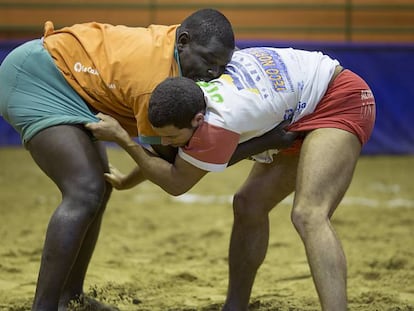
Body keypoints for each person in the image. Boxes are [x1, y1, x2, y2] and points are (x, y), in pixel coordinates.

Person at [86, 46, 376, 310]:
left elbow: (177, 181)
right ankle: (234, 307)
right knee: (248, 203)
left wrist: (124, 140)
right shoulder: (190, 97)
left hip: (340, 97)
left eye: (172, 136)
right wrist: (128, 180)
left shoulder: (217, 123)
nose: (167, 141)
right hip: (295, 106)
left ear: (198, 121)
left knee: (309, 214)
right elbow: (171, 156)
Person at [0, 8, 236, 311]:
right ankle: (44, 307)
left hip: (72, 79)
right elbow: (171, 172)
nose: (212, 74)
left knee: (99, 186)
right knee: (85, 190)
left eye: (220, 66)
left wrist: (126, 178)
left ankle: (68, 298)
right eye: (206, 61)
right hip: (37, 77)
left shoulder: (178, 54)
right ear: (183, 41)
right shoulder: (154, 83)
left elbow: (161, 159)